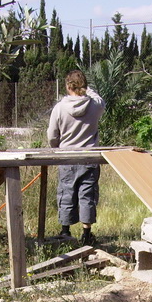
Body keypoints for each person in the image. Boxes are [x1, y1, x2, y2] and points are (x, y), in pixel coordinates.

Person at [46, 69, 106, 245]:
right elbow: (100, 99)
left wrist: (56, 147)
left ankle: (65, 232)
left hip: (67, 157)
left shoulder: (59, 108)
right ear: (85, 86)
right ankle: (87, 235)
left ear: (67, 85)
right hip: (89, 158)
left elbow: (52, 135)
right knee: (87, 196)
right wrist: (87, 90)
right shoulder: (95, 106)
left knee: (66, 193)